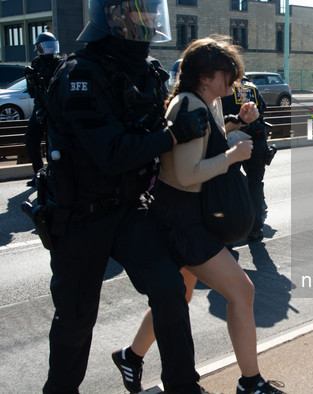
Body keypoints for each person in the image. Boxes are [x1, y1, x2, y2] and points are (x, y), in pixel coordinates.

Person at [40, 0, 216, 393]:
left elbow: (152, 131)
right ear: (114, 15)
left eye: (155, 11)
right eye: (143, 11)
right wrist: (173, 135)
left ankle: (183, 386)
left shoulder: (146, 71)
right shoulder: (80, 73)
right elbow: (113, 154)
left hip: (128, 209)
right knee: (76, 318)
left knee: (170, 288)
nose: (152, 19)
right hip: (79, 216)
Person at [112, 37, 287, 394]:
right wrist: (233, 157)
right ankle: (250, 383)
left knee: (180, 297)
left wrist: (237, 123)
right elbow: (185, 172)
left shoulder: (206, 101)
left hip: (183, 214)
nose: (233, 82)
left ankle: (130, 356)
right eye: (228, 75)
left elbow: (208, 140)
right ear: (205, 76)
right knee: (242, 291)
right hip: (183, 219)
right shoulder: (188, 104)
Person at [222, 77, 269, 242]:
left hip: (234, 139)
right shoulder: (253, 88)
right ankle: (256, 229)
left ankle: (229, 231)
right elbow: (263, 109)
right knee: (255, 183)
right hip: (257, 139)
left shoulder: (226, 88)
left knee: (230, 184)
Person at [23, 32, 61, 187]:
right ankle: (38, 172)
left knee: (52, 141)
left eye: (51, 46)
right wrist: (30, 77)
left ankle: (53, 174)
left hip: (54, 109)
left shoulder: (60, 63)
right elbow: (33, 90)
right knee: (31, 137)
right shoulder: (36, 63)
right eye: (46, 47)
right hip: (39, 107)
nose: (49, 50)